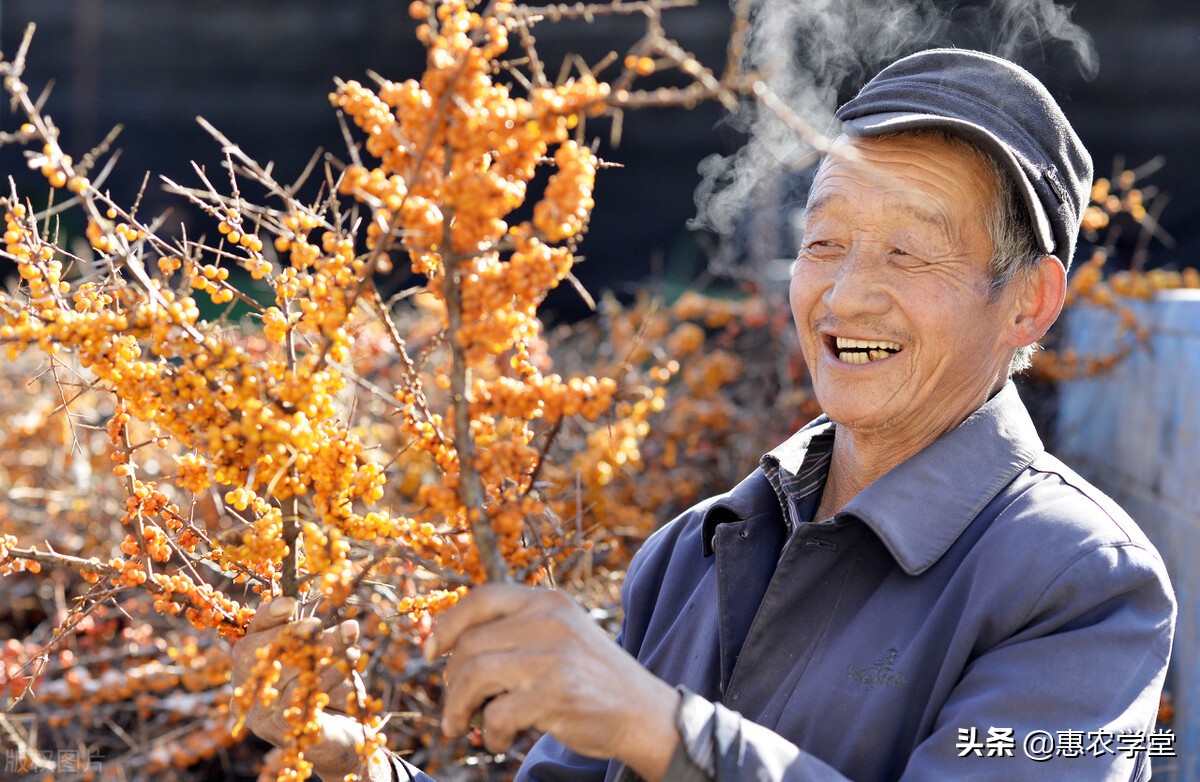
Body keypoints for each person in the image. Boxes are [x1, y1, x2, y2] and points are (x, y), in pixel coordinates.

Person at [233, 49, 1176, 781]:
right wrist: (348, 759)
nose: (846, 298)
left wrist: (663, 731)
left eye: (910, 254)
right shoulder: (701, 548)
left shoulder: (1079, 586)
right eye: (826, 244)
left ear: (1029, 303)